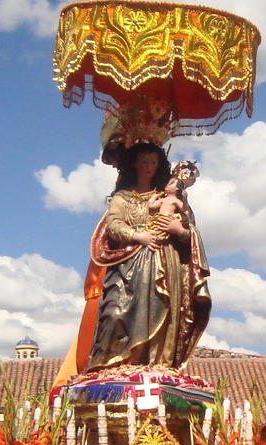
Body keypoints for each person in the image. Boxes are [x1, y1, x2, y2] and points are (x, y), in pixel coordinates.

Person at [86, 142, 211, 372]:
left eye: (153, 162)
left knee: (163, 307)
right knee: (115, 313)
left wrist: (179, 230)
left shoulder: (168, 196)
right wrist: (138, 235)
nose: (148, 166)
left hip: (164, 258)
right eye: (144, 161)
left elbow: (189, 229)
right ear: (134, 164)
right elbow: (113, 226)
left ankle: (157, 362)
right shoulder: (122, 198)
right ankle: (117, 364)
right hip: (129, 262)